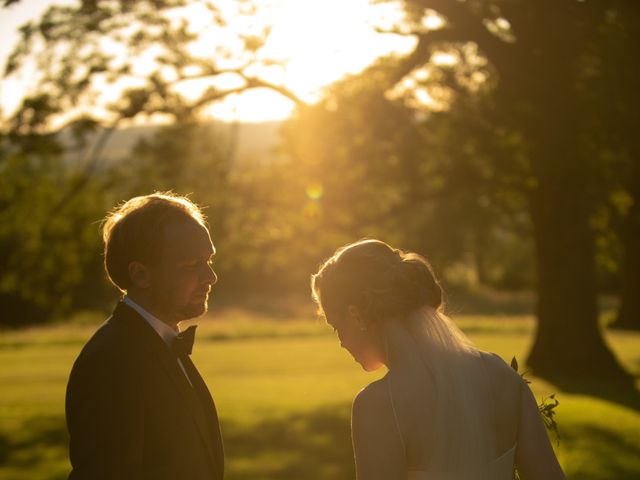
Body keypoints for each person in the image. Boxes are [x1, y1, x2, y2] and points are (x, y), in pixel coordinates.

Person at [311, 239, 566, 480]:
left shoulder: (378, 406)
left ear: (356, 314)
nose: (341, 342)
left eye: (337, 327)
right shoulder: (502, 376)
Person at [66, 192, 224, 480]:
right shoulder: (110, 362)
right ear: (141, 275)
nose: (210, 277)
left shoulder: (159, 344)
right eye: (191, 265)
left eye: (208, 261)